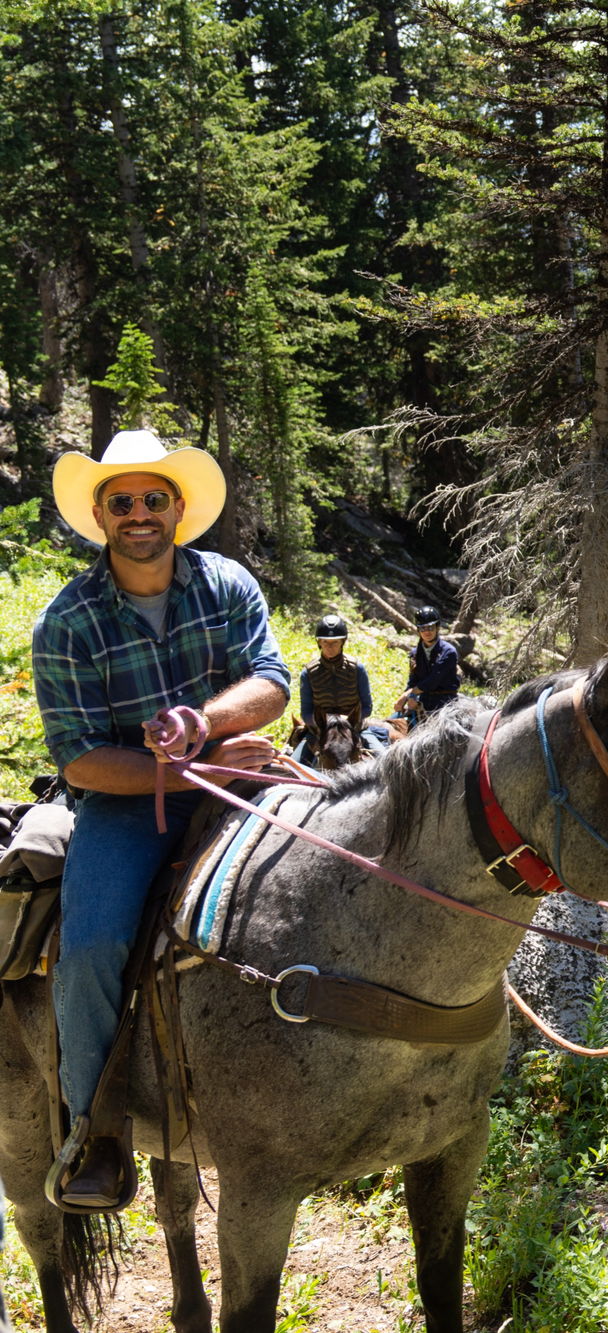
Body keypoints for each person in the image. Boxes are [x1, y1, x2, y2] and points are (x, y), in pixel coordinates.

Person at [32, 428, 288, 1209]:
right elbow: (79, 758)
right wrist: (182, 768)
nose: (138, 512)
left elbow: (272, 680)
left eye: (152, 498)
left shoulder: (226, 583)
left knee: (330, 874)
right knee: (92, 946)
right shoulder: (68, 621)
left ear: (178, 508)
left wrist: (204, 725)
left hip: (237, 769)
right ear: (101, 516)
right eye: (122, 502)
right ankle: (96, 1130)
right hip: (125, 802)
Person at [292, 613, 387, 761]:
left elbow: (367, 707)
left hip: (354, 728)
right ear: (319, 642)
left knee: (384, 758)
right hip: (319, 731)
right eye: (325, 642)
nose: (330, 647)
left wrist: (348, 721)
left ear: (342, 642)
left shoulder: (357, 668)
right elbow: (306, 713)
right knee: (293, 764)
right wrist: (326, 723)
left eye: (335, 642)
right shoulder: (308, 673)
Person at [393, 605, 459, 726]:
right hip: (423, 701)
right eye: (423, 628)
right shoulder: (415, 654)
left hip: (445, 703)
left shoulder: (448, 652)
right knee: (391, 724)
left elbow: (433, 680)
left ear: (437, 627)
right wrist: (406, 698)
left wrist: (409, 694)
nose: (427, 631)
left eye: (430, 627)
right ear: (418, 630)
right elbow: (413, 681)